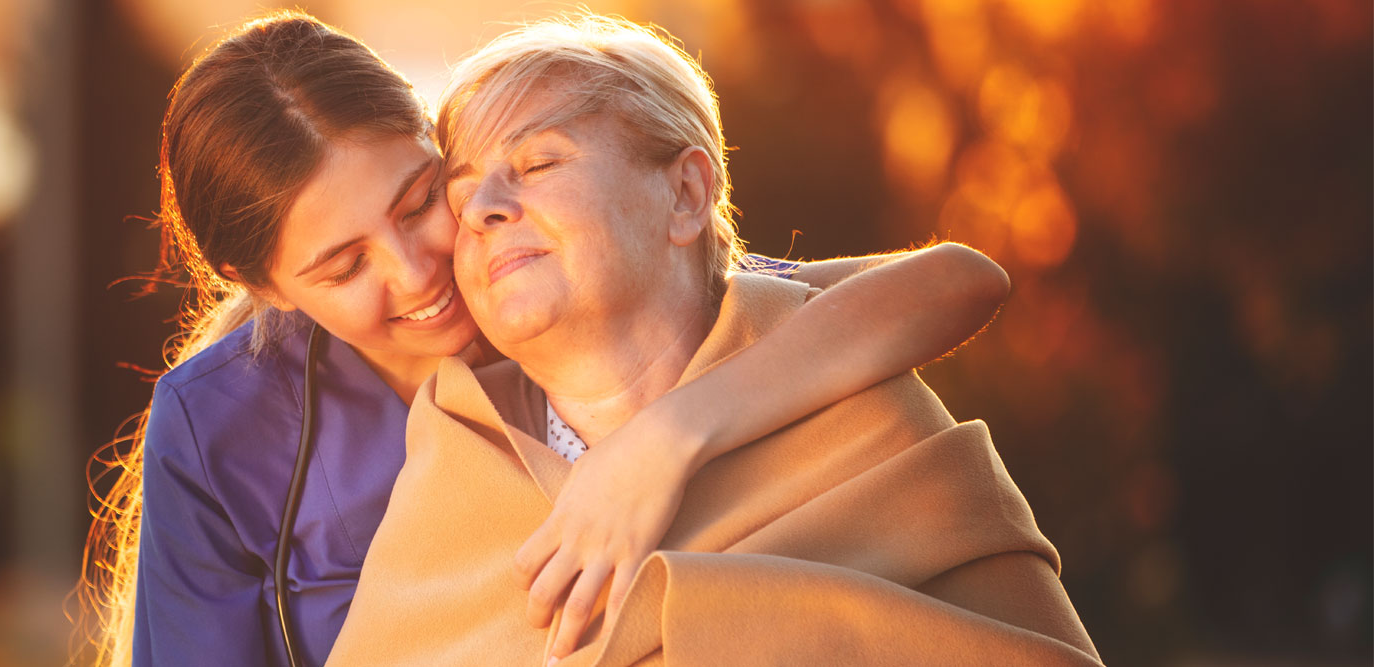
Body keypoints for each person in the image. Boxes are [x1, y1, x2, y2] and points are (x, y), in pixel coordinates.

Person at [83, 11, 1017, 667]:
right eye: (343, 267)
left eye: (419, 203)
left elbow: (953, 284)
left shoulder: (561, 301)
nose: (417, 272)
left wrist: (669, 436)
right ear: (265, 288)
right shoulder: (222, 430)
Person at [325, 14, 1100, 665]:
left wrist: (667, 436)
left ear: (687, 194)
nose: (487, 206)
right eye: (460, 201)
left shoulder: (862, 419)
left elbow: (964, 275)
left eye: (538, 162)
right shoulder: (451, 470)